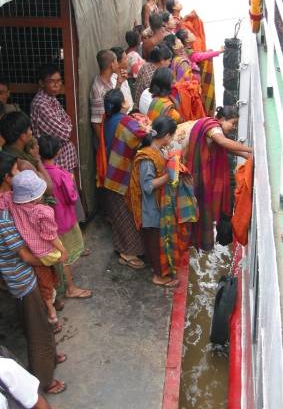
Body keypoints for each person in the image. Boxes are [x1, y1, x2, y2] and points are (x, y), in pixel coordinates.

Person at [0, 152, 66, 395]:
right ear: (7, 178)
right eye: (17, 171)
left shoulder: (9, 199)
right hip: (22, 278)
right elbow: (25, 255)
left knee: (42, 315)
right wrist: (57, 256)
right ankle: (43, 379)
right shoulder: (3, 215)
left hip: (28, 273)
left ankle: (50, 354)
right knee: (36, 326)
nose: (20, 174)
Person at [165, 106, 253, 251]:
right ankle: (179, 237)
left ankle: (184, 236)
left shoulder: (212, 126)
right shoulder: (214, 127)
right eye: (233, 123)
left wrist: (246, 156)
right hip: (170, 154)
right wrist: (251, 150)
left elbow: (225, 147)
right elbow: (224, 143)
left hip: (176, 154)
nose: (234, 127)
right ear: (222, 120)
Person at [0, 170, 68, 325]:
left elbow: (3, 198)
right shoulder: (42, 211)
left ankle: (52, 301)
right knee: (46, 279)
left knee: (45, 277)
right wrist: (62, 252)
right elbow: (50, 236)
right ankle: (51, 311)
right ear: (35, 196)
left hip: (30, 248)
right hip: (43, 251)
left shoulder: (10, 201)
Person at [39, 135, 92, 299]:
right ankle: (70, 288)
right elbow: (72, 198)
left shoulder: (38, 174)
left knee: (54, 254)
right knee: (65, 255)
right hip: (64, 221)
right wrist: (71, 181)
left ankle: (58, 286)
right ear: (58, 152)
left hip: (48, 222)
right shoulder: (61, 174)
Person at [129, 116, 179, 287]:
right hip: (150, 209)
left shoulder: (158, 151)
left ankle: (161, 270)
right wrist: (169, 176)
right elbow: (148, 186)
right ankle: (158, 275)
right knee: (155, 243)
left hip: (158, 205)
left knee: (158, 241)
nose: (172, 140)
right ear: (166, 136)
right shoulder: (147, 158)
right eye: (172, 136)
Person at [102, 90, 149, 269]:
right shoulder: (126, 122)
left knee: (119, 214)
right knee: (127, 215)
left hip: (112, 171)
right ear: (122, 104)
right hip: (122, 175)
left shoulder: (109, 120)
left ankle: (122, 247)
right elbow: (144, 137)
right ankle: (128, 252)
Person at [30, 64, 77, 173]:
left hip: (64, 160)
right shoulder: (41, 104)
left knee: (70, 189)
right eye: (52, 81)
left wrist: (66, 124)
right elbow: (65, 133)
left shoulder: (52, 98)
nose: (57, 85)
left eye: (59, 80)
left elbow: (67, 120)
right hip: (55, 163)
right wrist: (67, 125)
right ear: (41, 83)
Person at [0, 111, 53, 193]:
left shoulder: (4, 154)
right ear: (23, 136)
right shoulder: (22, 164)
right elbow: (49, 188)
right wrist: (37, 159)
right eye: (29, 129)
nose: (31, 133)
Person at [90, 50, 118, 141]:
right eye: (116, 61)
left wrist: (119, 84)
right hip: (105, 135)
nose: (118, 64)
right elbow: (96, 122)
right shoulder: (98, 88)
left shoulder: (110, 80)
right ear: (112, 64)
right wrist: (104, 144)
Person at [110, 46, 134, 113]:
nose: (127, 60)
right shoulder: (112, 82)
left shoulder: (123, 75)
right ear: (117, 63)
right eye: (125, 58)